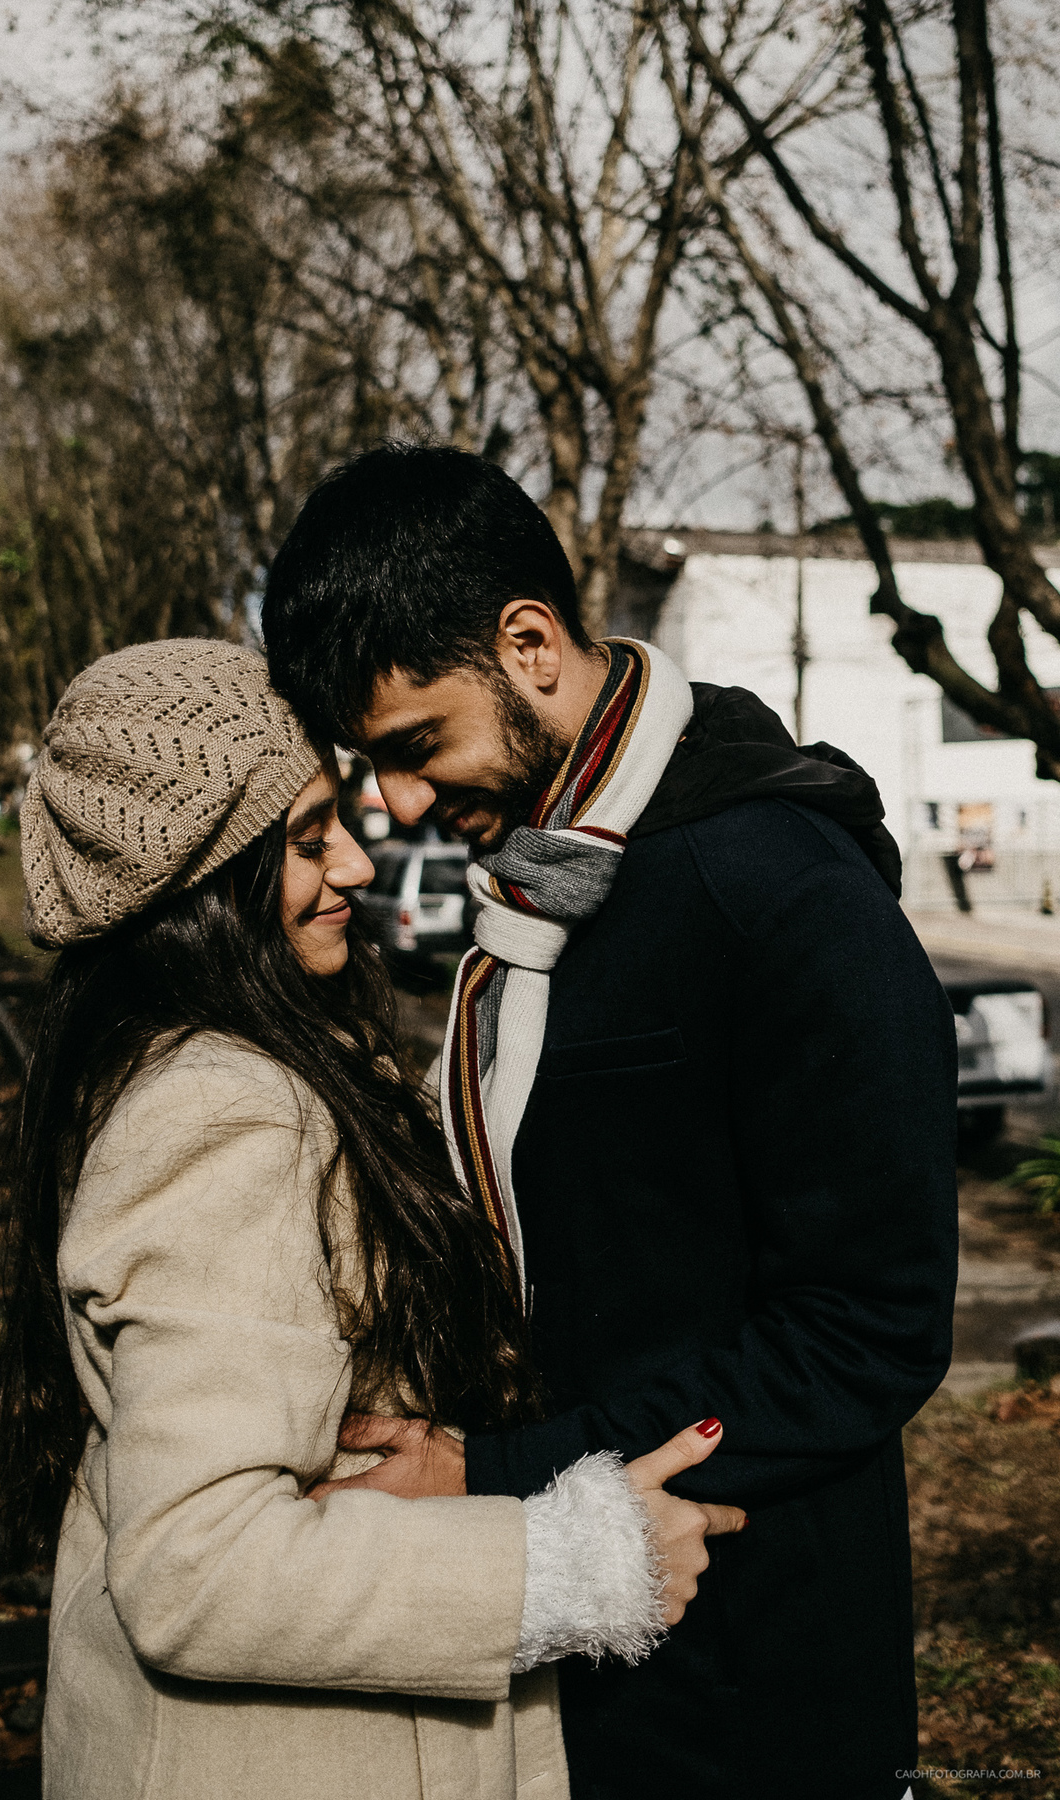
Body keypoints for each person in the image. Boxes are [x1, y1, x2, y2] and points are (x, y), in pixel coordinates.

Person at [262, 443, 960, 1800]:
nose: (397, 804)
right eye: (371, 764)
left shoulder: (777, 891)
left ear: (529, 645)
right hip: (581, 1641)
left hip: (753, 1685)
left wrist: (492, 1468)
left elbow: (868, 1333)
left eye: (415, 748)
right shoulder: (550, 882)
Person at [0, 638, 745, 1800]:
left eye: (335, 819)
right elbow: (199, 1566)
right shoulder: (226, 1111)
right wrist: (583, 1564)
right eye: (303, 841)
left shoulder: (178, 1056)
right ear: (200, 886)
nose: (352, 860)